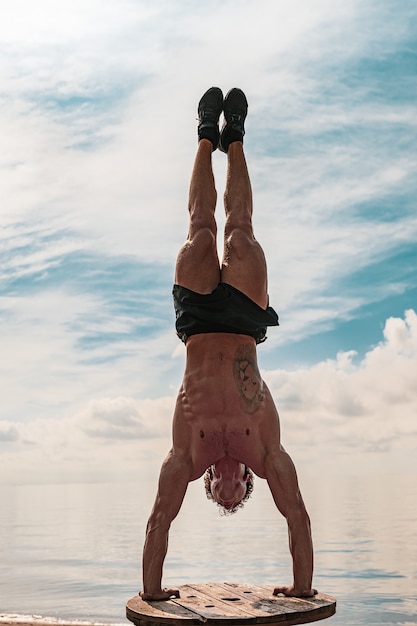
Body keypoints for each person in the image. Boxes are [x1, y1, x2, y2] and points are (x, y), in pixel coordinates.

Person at [140, 87, 316, 601]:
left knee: (199, 233)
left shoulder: (184, 458)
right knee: (240, 234)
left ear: (210, 488)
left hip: (195, 326)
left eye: (221, 496)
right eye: (236, 495)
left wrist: (153, 593)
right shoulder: (266, 450)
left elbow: (158, 522)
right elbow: (298, 516)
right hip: (242, 322)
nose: (227, 490)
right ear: (245, 484)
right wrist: (302, 590)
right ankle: (233, 136)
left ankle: (203, 134)